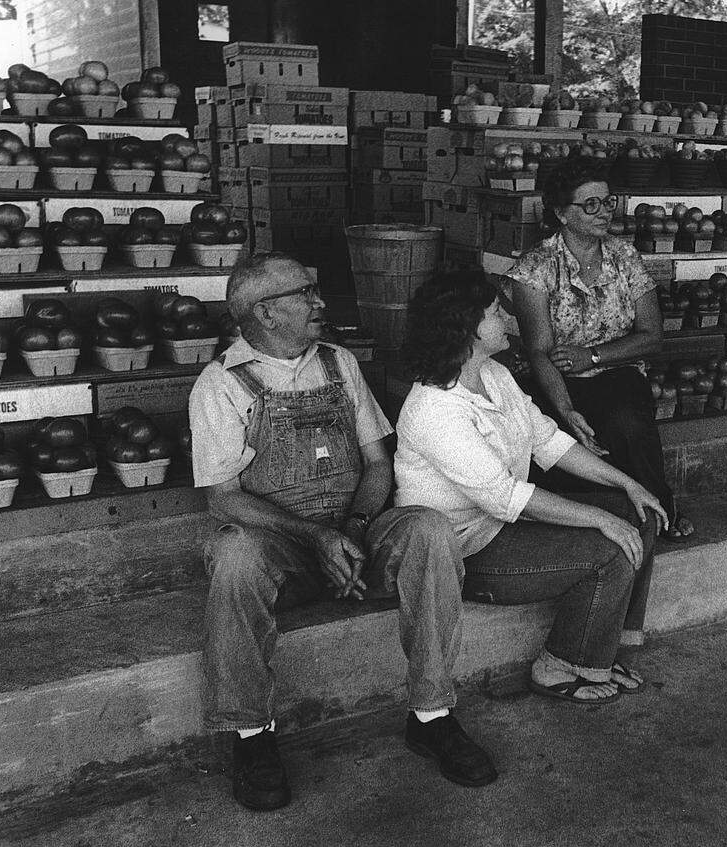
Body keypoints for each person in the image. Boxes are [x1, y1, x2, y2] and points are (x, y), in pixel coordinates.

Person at [190, 252, 497, 811]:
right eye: (305, 293)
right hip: (282, 548)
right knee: (232, 556)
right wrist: (316, 537)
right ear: (264, 313)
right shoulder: (221, 385)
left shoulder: (340, 362)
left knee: (429, 528)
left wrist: (353, 528)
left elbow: (379, 465)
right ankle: (251, 736)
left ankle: (432, 715)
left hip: (356, 531)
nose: (320, 302)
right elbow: (224, 498)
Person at [395, 270, 669, 705]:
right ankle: (561, 665)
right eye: (495, 312)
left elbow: (548, 442)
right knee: (613, 543)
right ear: (467, 327)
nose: (507, 317)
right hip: (467, 551)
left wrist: (629, 484)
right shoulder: (434, 408)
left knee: (640, 514)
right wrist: (601, 519)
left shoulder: (495, 376)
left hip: (502, 526)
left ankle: (605, 647)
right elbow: (506, 496)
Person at [507, 158, 694, 567]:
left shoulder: (624, 257)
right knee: (557, 438)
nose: (603, 212)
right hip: (555, 379)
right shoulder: (535, 268)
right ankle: (587, 522)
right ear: (561, 213)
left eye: (608, 202)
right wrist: (565, 408)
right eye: (589, 205)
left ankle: (660, 509)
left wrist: (590, 355)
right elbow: (539, 351)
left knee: (627, 423)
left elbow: (651, 336)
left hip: (616, 370)